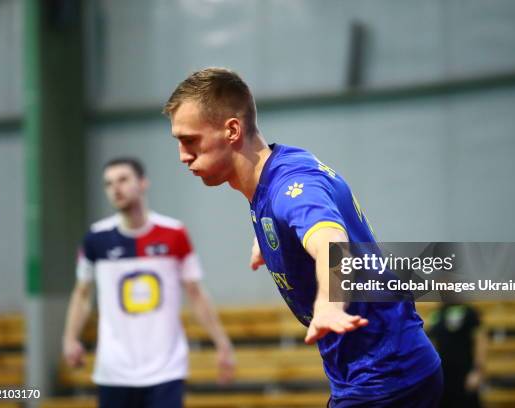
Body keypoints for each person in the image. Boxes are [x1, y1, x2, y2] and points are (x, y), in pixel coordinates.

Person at [163, 67, 442, 407]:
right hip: (383, 369)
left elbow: (331, 242)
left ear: (232, 130)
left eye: (190, 140)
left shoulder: (290, 188)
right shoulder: (280, 168)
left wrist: (328, 304)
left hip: (385, 376)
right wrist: (269, 241)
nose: (183, 155)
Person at [62, 157, 235, 408]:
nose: (115, 188)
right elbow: (82, 294)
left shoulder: (174, 234)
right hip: (114, 371)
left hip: (166, 370)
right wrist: (70, 339)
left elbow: (196, 293)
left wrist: (222, 344)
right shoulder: (96, 239)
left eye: (123, 180)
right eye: (108, 184)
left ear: (143, 183)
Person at [428, 302, 487, 408]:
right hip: (443, 377)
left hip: (466, 377)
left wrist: (478, 371)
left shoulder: (469, 312)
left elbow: (480, 341)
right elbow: (432, 344)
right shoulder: (437, 313)